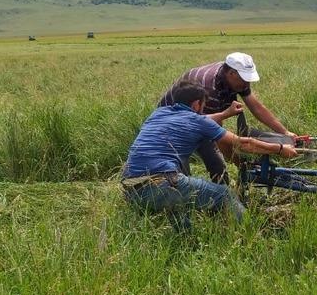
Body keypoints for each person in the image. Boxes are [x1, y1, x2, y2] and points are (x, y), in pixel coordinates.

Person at [124, 81, 298, 231]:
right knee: (224, 194)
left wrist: (224, 114)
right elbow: (243, 143)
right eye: (202, 106)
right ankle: (251, 233)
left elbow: (200, 119)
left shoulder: (157, 114)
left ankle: (187, 243)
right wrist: (280, 148)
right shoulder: (198, 121)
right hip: (161, 183)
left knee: (177, 204)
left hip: (130, 188)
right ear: (196, 105)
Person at [158, 52, 295, 183]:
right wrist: (241, 163)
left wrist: (284, 132)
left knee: (216, 162)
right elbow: (218, 137)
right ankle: (192, 196)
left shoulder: (233, 77)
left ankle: (222, 191)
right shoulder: (208, 90)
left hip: (195, 116)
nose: (247, 85)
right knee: (192, 160)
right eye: (244, 79)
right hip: (171, 123)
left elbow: (256, 107)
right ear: (231, 73)